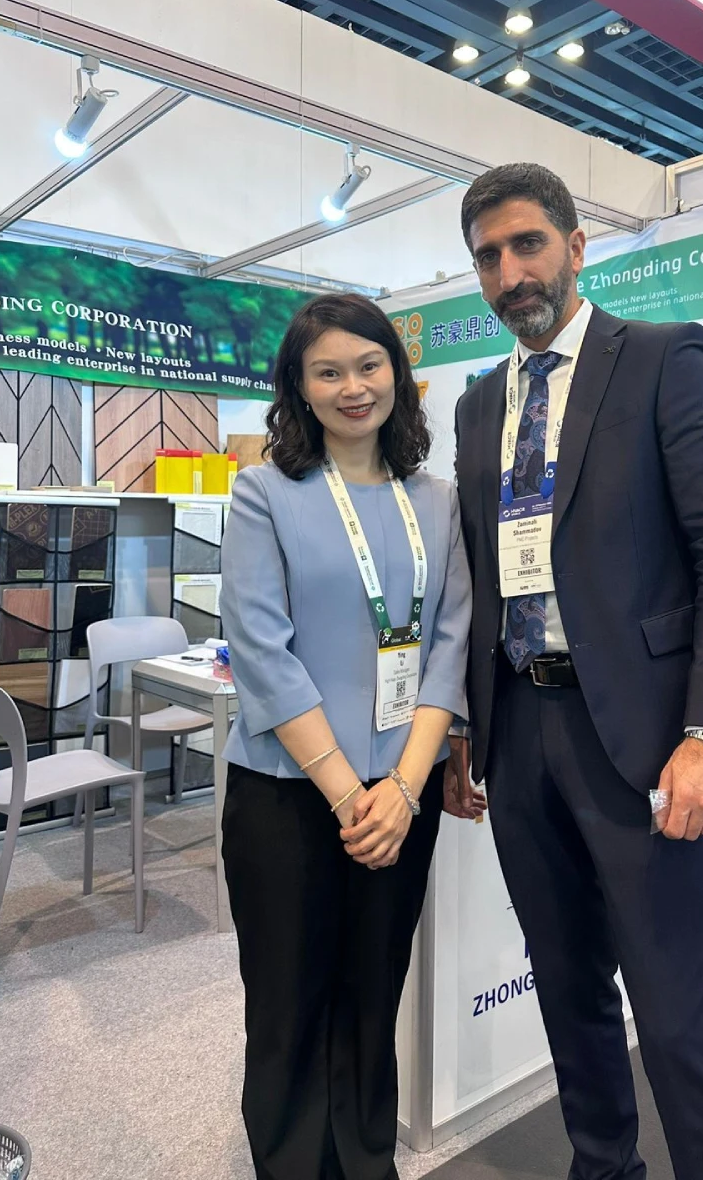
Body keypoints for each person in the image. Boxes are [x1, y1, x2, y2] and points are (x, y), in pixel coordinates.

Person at [448, 163, 703, 1180]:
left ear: (576, 247)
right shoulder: (477, 405)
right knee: (567, 989)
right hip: (518, 732)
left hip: (641, 739)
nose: (510, 273)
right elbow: (477, 578)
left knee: (675, 1008)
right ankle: (603, 1166)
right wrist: (461, 729)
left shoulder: (664, 361)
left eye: (527, 244)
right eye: (488, 256)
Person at [219, 293, 473, 1180]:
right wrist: (350, 794)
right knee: (289, 1003)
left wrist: (402, 788)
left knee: (373, 996)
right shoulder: (264, 492)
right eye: (327, 371)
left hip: (400, 799)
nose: (353, 386)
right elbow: (262, 650)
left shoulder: (437, 501)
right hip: (289, 796)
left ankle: (367, 1161)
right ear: (299, 386)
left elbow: (449, 646)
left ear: (398, 375)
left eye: (369, 365)